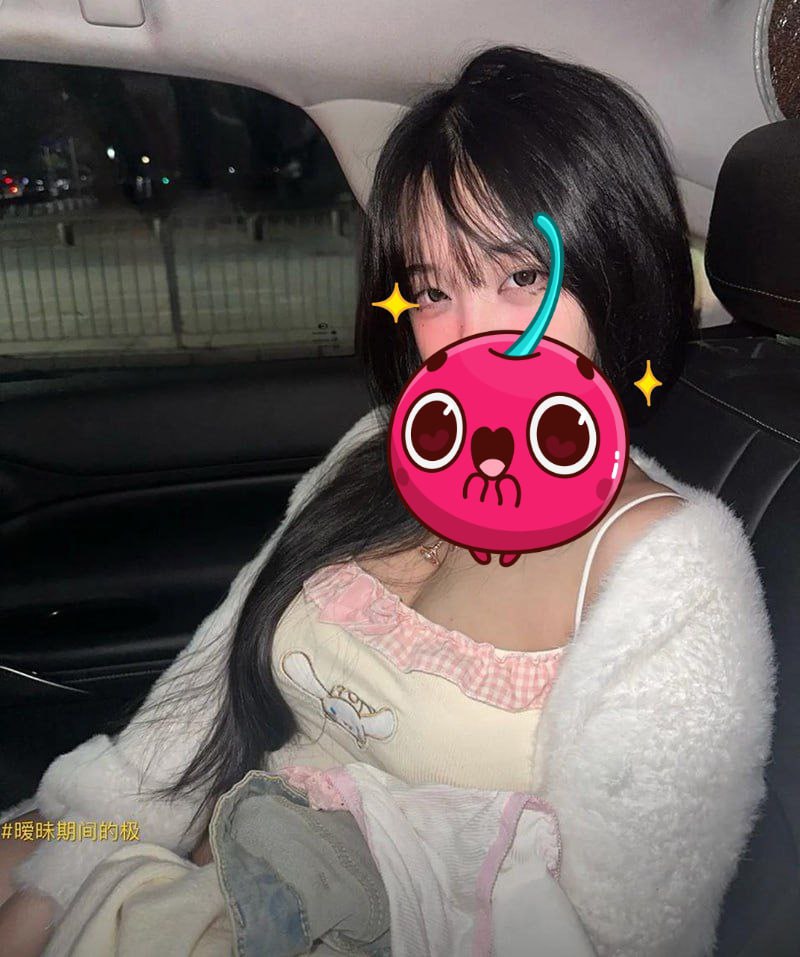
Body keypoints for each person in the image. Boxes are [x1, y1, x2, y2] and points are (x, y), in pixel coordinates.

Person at [0, 44, 776, 957]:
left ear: (618, 269)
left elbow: (625, 940)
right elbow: (196, 712)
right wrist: (51, 878)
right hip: (194, 867)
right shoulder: (378, 449)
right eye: (433, 289)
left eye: (523, 276)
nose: (474, 335)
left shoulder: (670, 567)